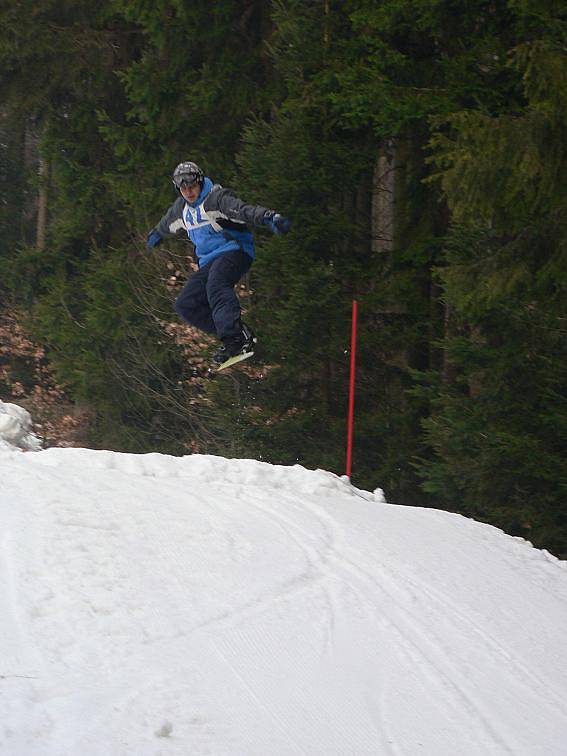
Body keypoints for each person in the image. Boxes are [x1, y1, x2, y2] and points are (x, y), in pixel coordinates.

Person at [147, 161, 290, 367]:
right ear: (178, 189)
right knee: (185, 304)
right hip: (209, 262)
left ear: (200, 182)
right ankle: (237, 333)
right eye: (183, 188)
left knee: (216, 283)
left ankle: (233, 339)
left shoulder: (216, 199)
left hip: (236, 251)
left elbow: (244, 210)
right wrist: (157, 234)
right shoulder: (182, 209)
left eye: (192, 187)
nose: (189, 192)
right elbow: (167, 223)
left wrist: (269, 218)